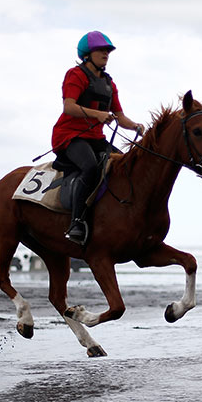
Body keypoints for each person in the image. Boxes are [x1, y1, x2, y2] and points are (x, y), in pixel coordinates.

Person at [51, 30, 145, 245]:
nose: (106, 54)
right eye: (101, 50)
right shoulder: (75, 75)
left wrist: (135, 127)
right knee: (91, 167)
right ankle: (76, 222)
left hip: (95, 138)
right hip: (69, 136)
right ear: (87, 54)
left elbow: (120, 116)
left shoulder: (109, 84)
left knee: (126, 166)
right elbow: (69, 107)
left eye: (108, 51)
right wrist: (98, 115)